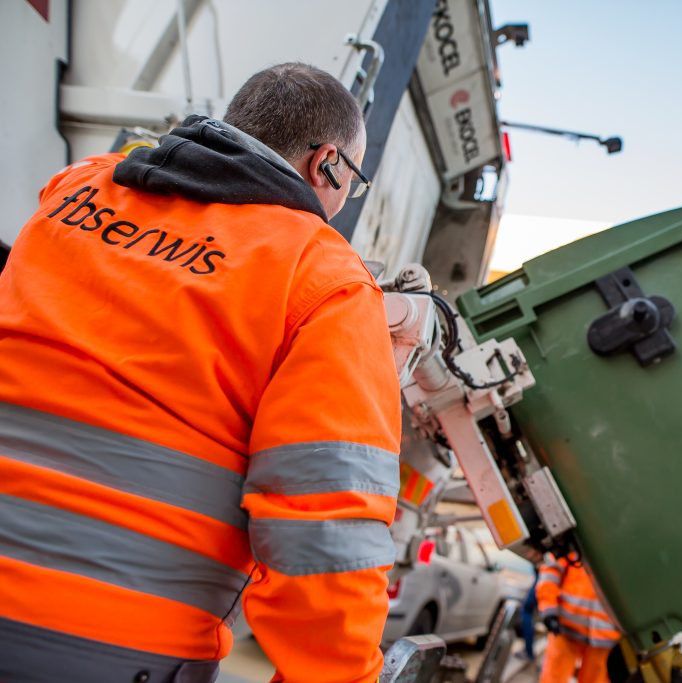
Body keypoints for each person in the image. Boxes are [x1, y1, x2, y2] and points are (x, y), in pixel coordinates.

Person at [0, 63, 401, 683]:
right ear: (326, 164)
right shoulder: (322, 277)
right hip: (110, 642)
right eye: (352, 180)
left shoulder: (77, 192)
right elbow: (325, 527)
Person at [537, 553, 620, 683]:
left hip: (605, 637)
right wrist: (548, 607)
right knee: (552, 678)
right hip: (566, 628)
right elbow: (551, 570)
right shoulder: (576, 538)